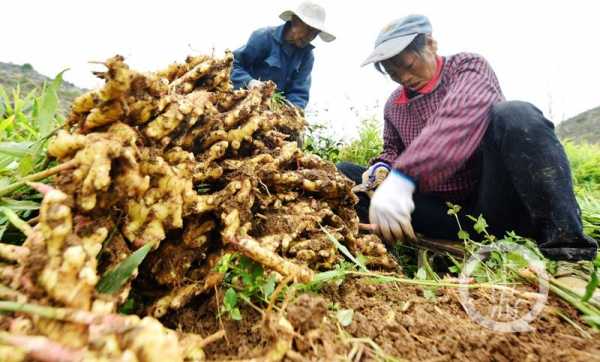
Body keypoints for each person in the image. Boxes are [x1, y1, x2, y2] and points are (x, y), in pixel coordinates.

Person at [337, 15, 598, 267]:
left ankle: (568, 253)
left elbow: (457, 121)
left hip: (493, 204)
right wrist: (383, 169)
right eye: (393, 72)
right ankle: (371, 249)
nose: (403, 77)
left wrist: (404, 178)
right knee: (345, 176)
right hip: (447, 216)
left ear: (430, 44)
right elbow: (392, 149)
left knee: (516, 113)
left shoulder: (468, 68)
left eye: (408, 65)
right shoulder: (395, 105)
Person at [231, 1, 335, 110]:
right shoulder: (264, 36)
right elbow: (233, 65)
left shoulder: (307, 57)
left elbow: (299, 92)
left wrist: (293, 111)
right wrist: (249, 82)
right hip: (240, 101)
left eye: (315, 33)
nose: (310, 37)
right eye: (308, 30)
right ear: (295, 21)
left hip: (271, 113)